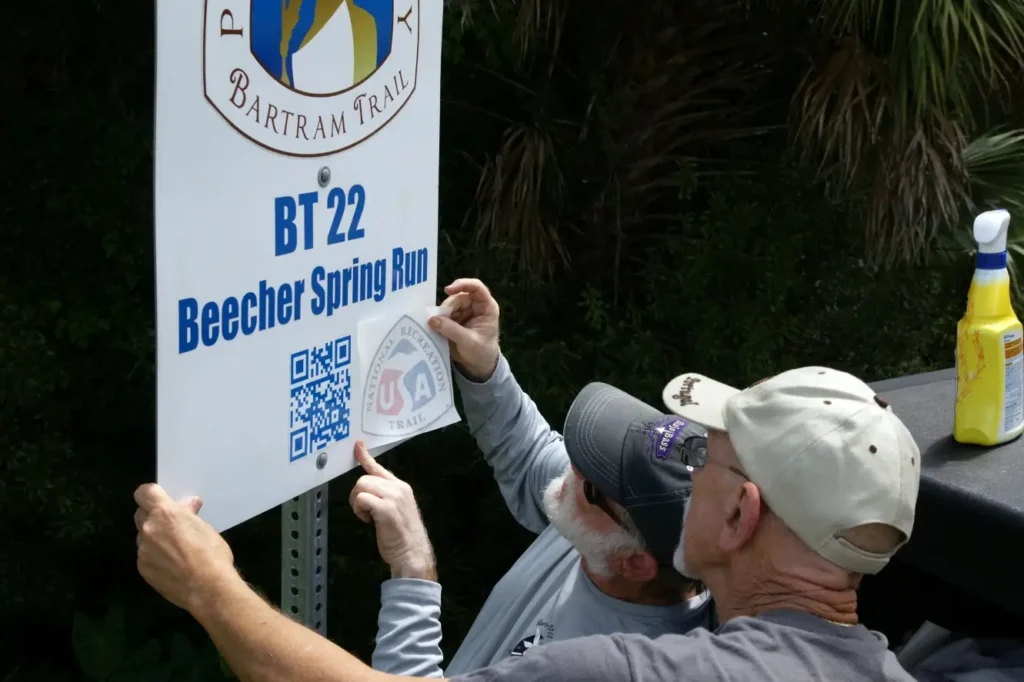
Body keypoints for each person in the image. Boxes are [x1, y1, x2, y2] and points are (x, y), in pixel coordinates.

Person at [135, 356, 922, 682]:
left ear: (741, 513)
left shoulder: (624, 668)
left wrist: (208, 584)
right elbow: (544, 466)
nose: (690, 461)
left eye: (707, 456)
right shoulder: (887, 668)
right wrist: (486, 365)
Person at [353, 279, 711, 676]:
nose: (574, 468)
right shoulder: (611, 534)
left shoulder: (613, 666)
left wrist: (413, 568)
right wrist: (485, 367)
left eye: (593, 483)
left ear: (633, 562)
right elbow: (530, 455)